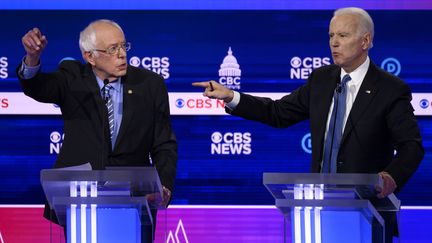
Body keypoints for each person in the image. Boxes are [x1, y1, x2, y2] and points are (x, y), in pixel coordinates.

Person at [193, 7, 423, 243]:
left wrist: (390, 178)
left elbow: (411, 147)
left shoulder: (390, 89)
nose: (334, 43)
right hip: (318, 211)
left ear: (365, 41)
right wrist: (232, 96)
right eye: (331, 36)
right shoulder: (321, 80)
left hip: (368, 214)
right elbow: (278, 113)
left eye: (342, 36)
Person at [18, 19, 177, 243]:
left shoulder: (150, 84)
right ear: (90, 56)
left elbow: (164, 143)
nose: (122, 54)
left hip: (136, 199)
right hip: (81, 198)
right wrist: (32, 58)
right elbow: (38, 87)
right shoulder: (72, 77)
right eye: (113, 49)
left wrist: (164, 186)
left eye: (124, 46)